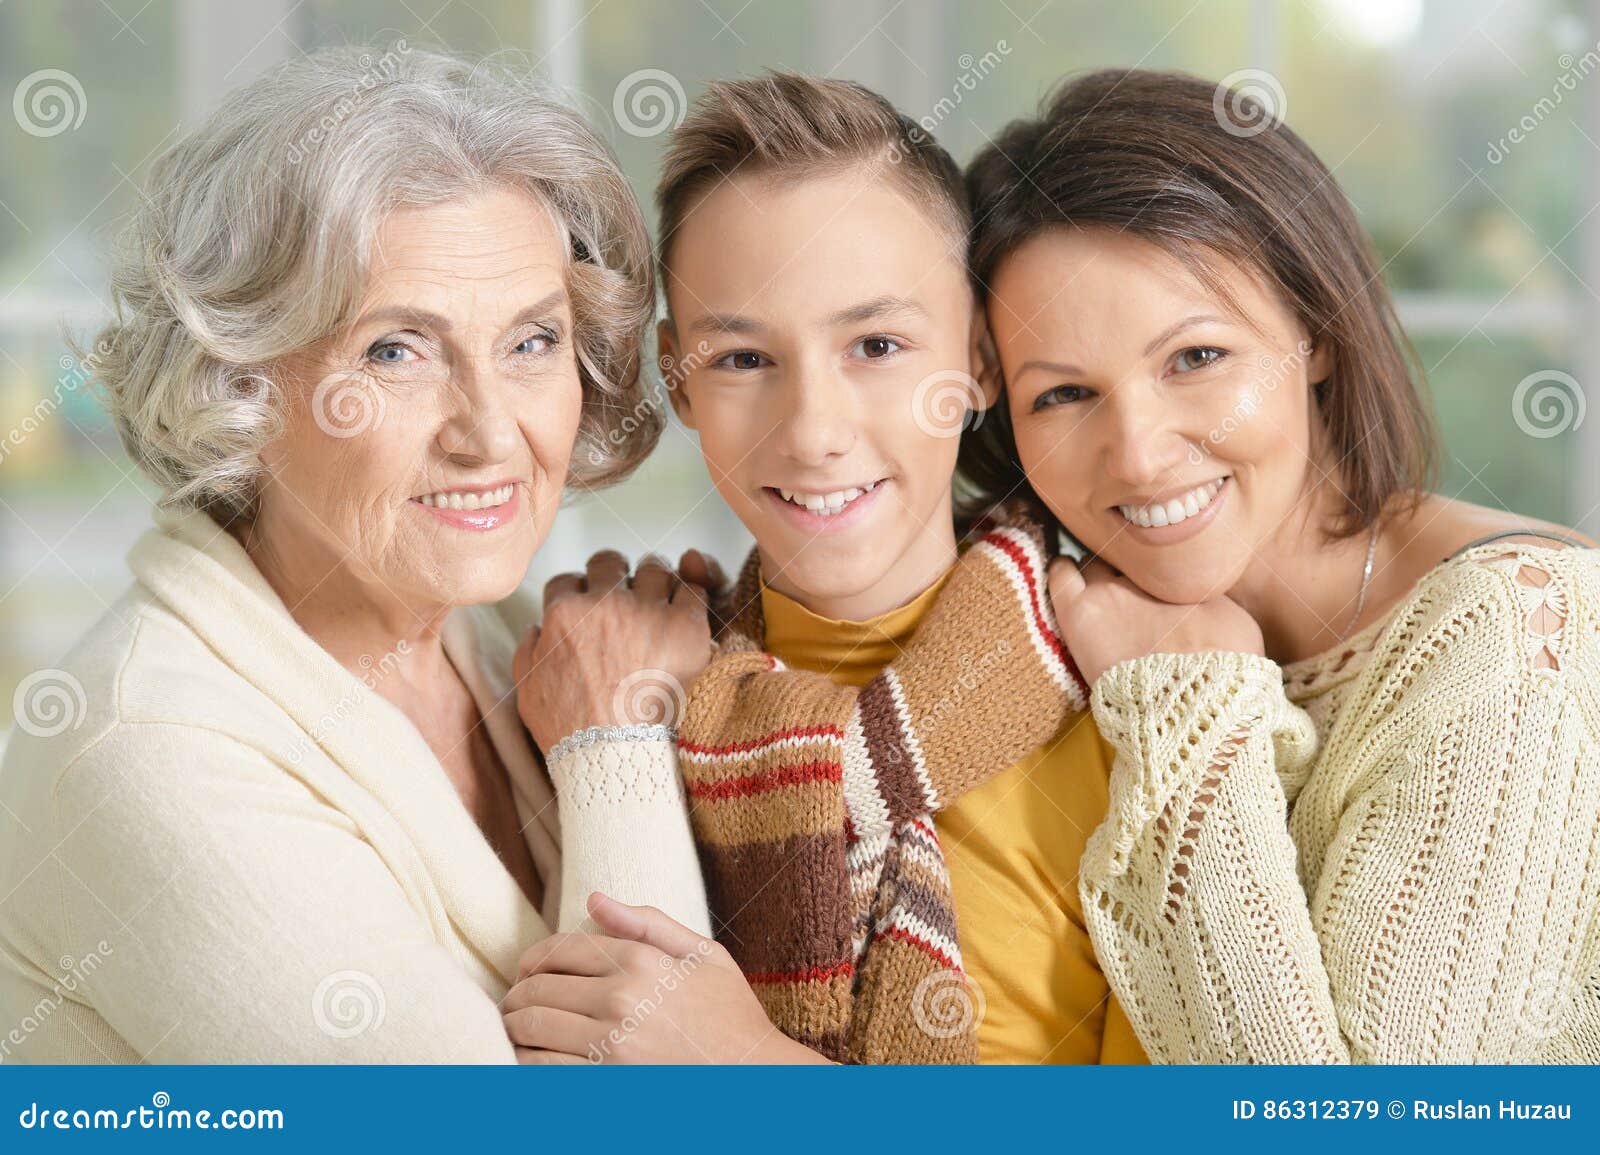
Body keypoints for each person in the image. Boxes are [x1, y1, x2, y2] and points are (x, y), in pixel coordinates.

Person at [0, 45, 710, 1063]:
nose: (489, 432)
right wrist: (616, 754)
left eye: (532, 341)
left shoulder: (516, 635)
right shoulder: (148, 754)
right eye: (396, 351)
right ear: (236, 378)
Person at [960, 67, 1600, 1062]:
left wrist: (1183, 705)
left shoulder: (1511, 636)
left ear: (1315, 332)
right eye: (1063, 395)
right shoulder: (1068, 625)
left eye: (1194, 359)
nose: (1135, 453)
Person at [504, 74, 1146, 1064]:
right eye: (743, 361)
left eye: (876, 345)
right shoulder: (616, 697)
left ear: (978, 358)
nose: (812, 435)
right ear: (677, 377)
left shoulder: (1129, 699)